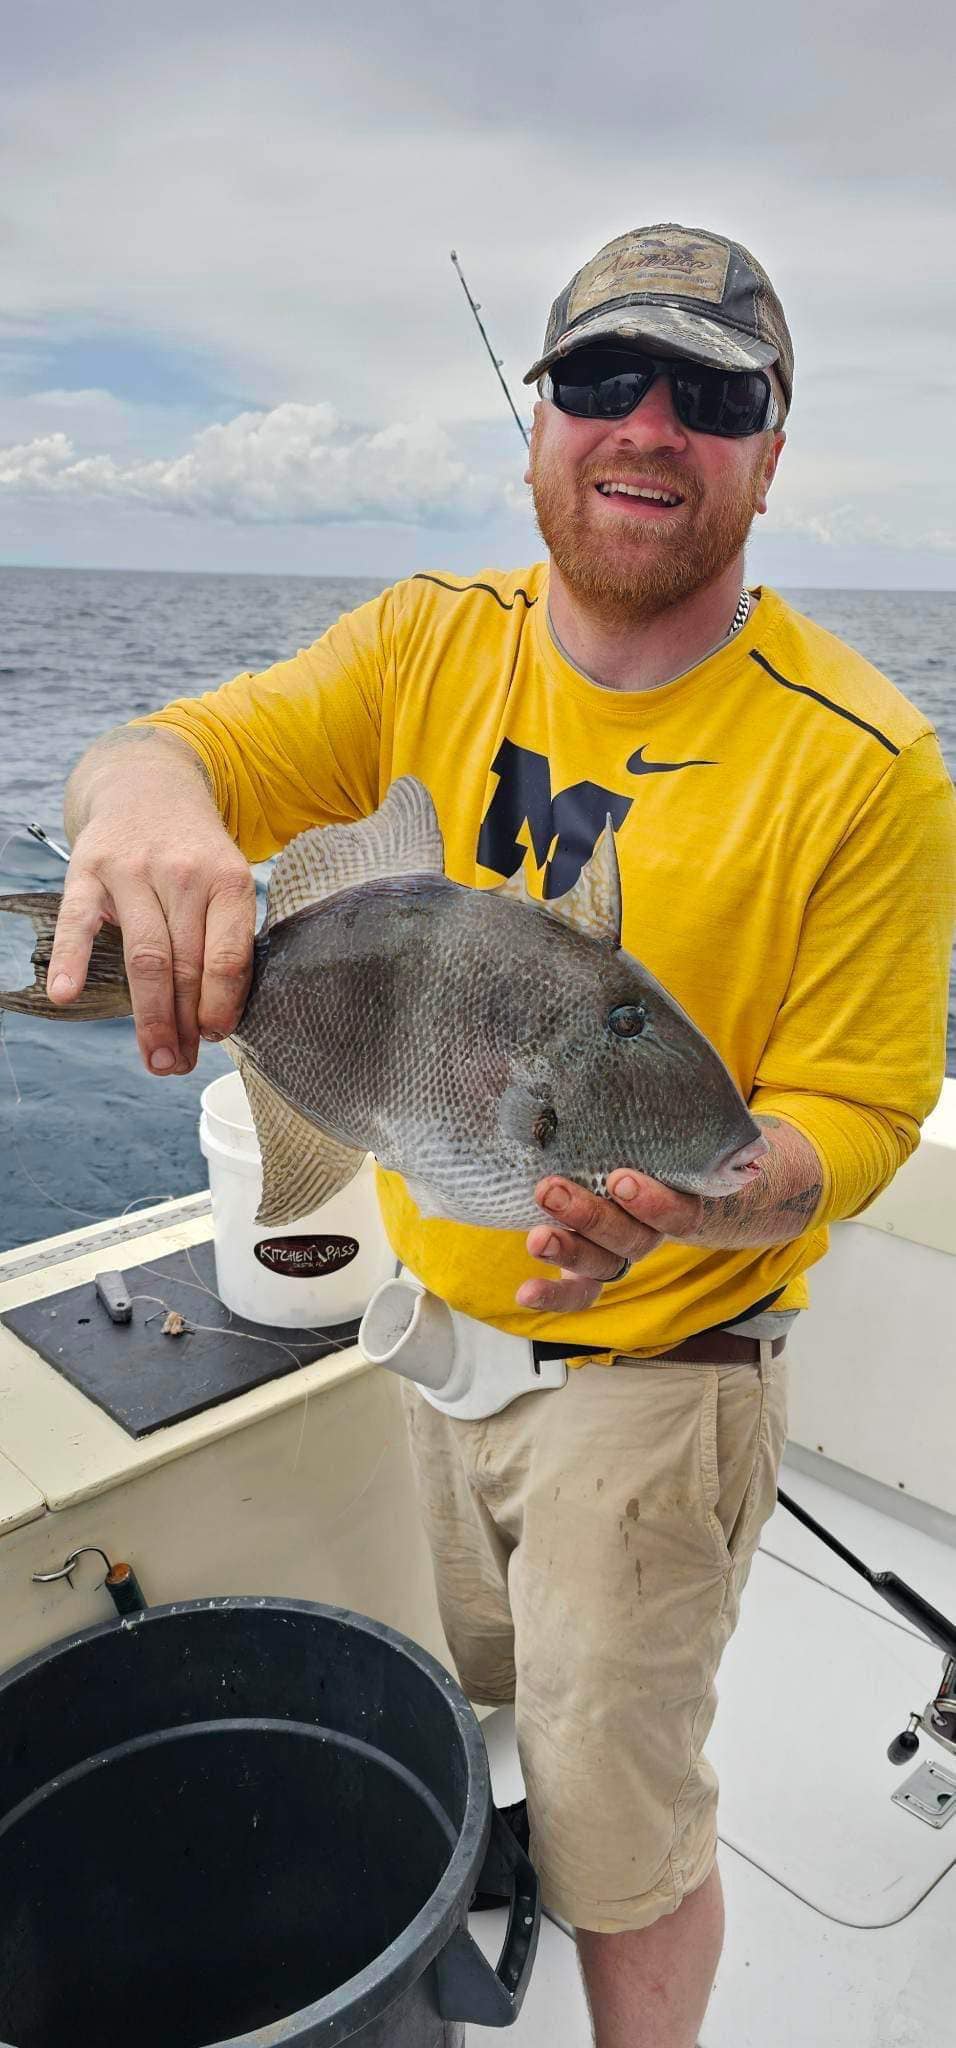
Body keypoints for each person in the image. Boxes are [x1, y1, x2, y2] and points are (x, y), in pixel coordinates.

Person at [50, 222, 956, 2048]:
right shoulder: (420, 640)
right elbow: (183, 750)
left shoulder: (870, 765)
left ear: (772, 455)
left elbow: (855, 1111)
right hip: (433, 1331)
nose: (650, 424)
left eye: (713, 394)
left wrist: (725, 1199)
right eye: (604, 378)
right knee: (486, 1693)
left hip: (659, 1375)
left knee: (624, 1821)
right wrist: (142, 799)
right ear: (536, 421)